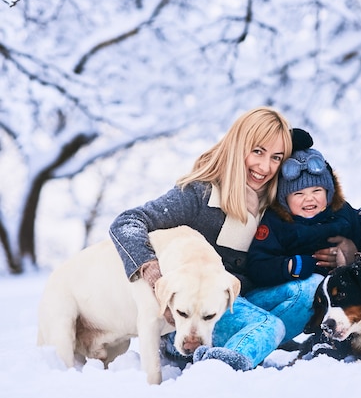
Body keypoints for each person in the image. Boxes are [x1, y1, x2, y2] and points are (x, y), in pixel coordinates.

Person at [109, 107, 314, 371]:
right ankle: (213, 366)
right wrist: (151, 269)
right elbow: (126, 222)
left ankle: (252, 340)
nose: (265, 167)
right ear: (239, 146)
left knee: (310, 290)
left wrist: (345, 247)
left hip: (241, 303)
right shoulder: (197, 195)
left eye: (276, 157)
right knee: (270, 326)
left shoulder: (275, 204)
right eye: (258, 152)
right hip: (193, 317)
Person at [246, 131, 361, 329]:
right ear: (284, 200)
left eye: (317, 191)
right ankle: (274, 330)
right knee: (312, 288)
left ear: (329, 193)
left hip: (331, 297)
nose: (309, 199)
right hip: (288, 290)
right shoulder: (276, 224)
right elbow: (258, 264)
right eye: (298, 193)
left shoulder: (341, 214)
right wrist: (289, 266)